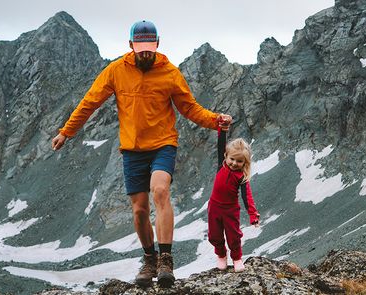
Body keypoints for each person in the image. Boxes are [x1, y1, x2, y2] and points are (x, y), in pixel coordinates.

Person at [51, 20, 232, 288]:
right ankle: (150, 259)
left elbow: (190, 108)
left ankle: (166, 260)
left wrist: (215, 120)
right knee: (138, 211)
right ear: (130, 46)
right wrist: (66, 132)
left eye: (149, 48)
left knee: (160, 191)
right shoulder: (116, 71)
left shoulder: (170, 73)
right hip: (132, 150)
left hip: (163, 144)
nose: (145, 53)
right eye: (140, 48)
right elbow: (90, 102)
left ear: (157, 45)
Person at [207, 124, 260, 272]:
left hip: (230, 210)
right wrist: (222, 130)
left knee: (233, 236)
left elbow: (247, 197)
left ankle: (236, 258)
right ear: (226, 156)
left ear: (245, 163)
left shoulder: (242, 177)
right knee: (214, 235)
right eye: (232, 159)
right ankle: (221, 255)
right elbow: (221, 144)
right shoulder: (221, 165)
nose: (234, 163)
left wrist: (253, 215)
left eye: (239, 161)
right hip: (214, 207)